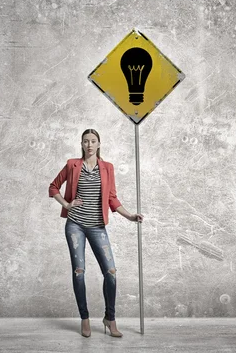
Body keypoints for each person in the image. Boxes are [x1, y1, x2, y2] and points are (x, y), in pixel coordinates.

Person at [49, 128, 143, 338]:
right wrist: (67, 204)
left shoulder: (107, 168)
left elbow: (112, 198)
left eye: (93, 141)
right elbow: (53, 187)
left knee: (110, 272)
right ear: (81, 144)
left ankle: (110, 318)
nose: (89, 145)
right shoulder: (73, 165)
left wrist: (129, 216)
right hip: (75, 225)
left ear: (99, 144)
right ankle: (85, 318)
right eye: (85, 141)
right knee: (79, 271)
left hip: (97, 226)